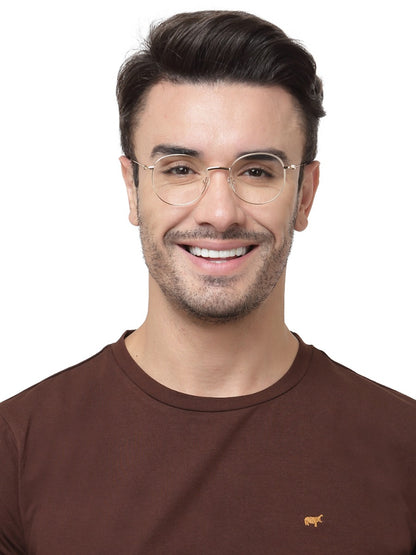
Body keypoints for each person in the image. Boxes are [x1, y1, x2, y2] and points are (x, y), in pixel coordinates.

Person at [0, 10, 415, 554]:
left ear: (305, 196)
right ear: (132, 189)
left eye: (257, 170)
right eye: (180, 169)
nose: (220, 214)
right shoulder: (18, 448)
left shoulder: (403, 448)